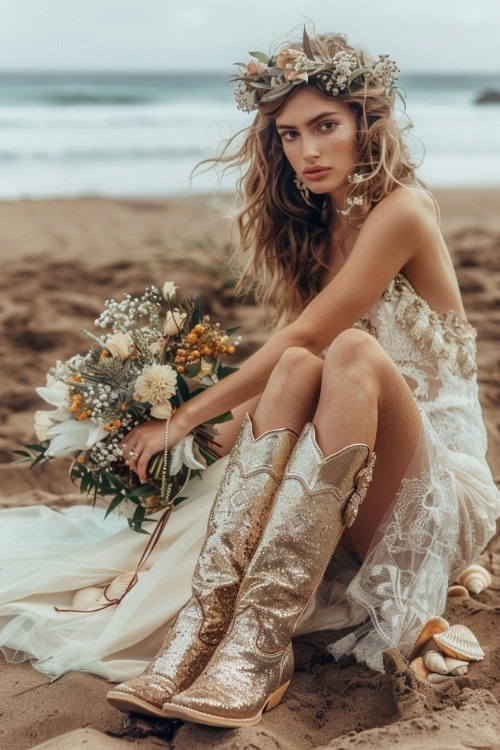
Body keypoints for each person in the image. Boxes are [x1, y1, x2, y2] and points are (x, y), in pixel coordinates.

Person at [1, 27, 499, 730]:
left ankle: (260, 641)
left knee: (346, 353)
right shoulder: (316, 228)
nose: (309, 151)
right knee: (300, 365)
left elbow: (310, 335)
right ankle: (214, 628)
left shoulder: (404, 210)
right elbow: (291, 362)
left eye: (325, 126)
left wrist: (180, 416)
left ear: (368, 121)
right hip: (357, 472)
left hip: (438, 493)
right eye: (290, 135)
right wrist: (196, 444)